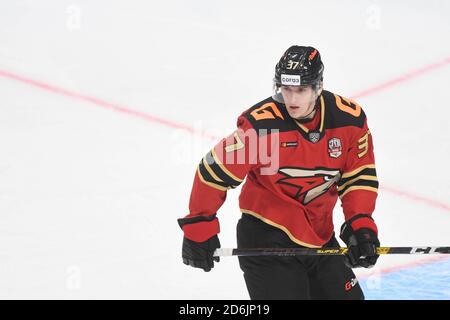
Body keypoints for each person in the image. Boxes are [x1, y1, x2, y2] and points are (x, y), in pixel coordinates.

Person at [177, 45, 380, 300]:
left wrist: (360, 225)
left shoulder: (348, 120)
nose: (292, 100)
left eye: (300, 90)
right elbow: (212, 172)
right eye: (286, 89)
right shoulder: (263, 127)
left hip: (319, 236)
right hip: (267, 239)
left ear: (318, 87)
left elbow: (358, 177)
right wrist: (199, 225)